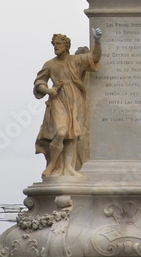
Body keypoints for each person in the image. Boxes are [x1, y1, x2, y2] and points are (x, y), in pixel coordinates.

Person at [34, 29, 102, 179]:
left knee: (72, 134)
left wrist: (97, 41)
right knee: (61, 131)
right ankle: (53, 164)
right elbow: (39, 82)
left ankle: (68, 168)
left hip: (75, 99)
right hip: (58, 99)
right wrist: (48, 90)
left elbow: (95, 57)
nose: (55, 46)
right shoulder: (50, 64)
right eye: (54, 44)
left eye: (58, 44)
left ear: (66, 45)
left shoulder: (75, 60)